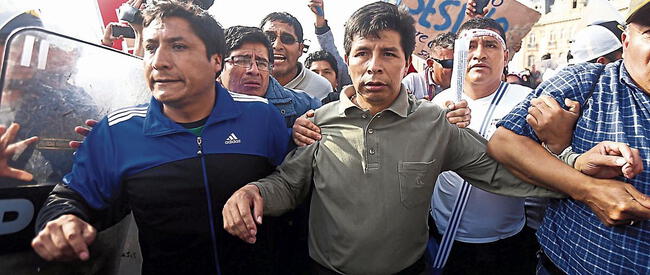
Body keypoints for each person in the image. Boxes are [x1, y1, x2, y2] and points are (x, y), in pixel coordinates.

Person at [222, 2, 563, 274]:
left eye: (388, 53)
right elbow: (289, 184)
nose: (374, 66)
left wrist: (579, 176)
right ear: (348, 59)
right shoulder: (318, 123)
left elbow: (502, 170)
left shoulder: (434, 123)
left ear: (406, 62)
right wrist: (255, 192)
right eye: (362, 53)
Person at [30, 2, 290, 274]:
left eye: (178, 47)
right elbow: (71, 195)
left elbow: (290, 182)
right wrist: (63, 220)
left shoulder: (262, 117)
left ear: (215, 60)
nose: (159, 61)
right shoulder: (118, 130)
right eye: (152, 47)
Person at [487, 0, 650, 273]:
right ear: (625, 41)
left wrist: (564, 150)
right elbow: (504, 143)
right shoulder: (585, 82)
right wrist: (590, 190)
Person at [428, 18, 541, 275]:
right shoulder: (438, 103)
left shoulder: (527, 102)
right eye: (470, 46)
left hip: (506, 243)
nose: (479, 54)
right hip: (444, 238)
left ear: (506, 55)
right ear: (457, 56)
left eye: (490, 45)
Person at [219, 25, 321, 128]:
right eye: (242, 61)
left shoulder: (304, 106)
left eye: (261, 63)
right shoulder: (203, 104)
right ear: (218, 64)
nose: (254, 70)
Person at [260, 12, 333, 100]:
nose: (277, 45)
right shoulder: (243, 80)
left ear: (300, 49)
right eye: (269, 38)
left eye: (287, 39)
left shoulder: (320, 87)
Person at [307, 0, 352, 90]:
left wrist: (320, 20)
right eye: (315, 73)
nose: (321, 77)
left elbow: (330, 50)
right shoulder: (298, 102)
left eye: (327, 72)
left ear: (337, 81)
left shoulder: (346, 101)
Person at [401, 32, 456, 100]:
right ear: (431, 64)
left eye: (459, 64)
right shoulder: (413, 82)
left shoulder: (466, 87)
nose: (455, 69)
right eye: (449, 63)